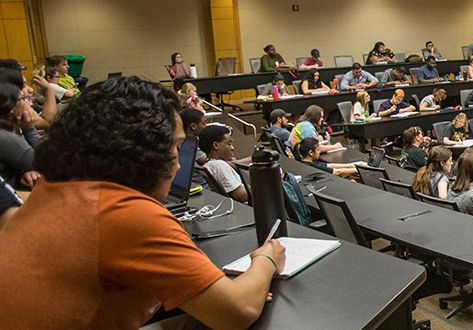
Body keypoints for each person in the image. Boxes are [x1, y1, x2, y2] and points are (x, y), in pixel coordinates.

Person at [0, 76, 285, 329]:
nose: (176, 164)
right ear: (142, 151)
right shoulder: (124, 214)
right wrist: (266, 259)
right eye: (175, 146)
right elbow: (237, 311)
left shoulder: (52, 192)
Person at [0, 83, 43, 189]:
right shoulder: (4, 136)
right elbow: (49, 164)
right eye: (24, 99)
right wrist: (29, 129)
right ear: (11, 107)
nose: (29, 103)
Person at [198, 125, 248, 203]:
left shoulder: (208, 164)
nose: (232, 148)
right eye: (228, 144)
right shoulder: (220, 166)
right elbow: (242, 196)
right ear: (216, 145)